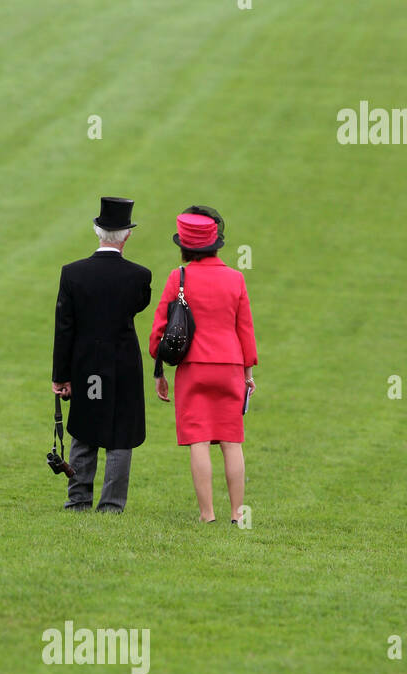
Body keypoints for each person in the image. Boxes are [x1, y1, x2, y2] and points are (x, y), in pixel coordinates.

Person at [149, 206, 258, 523]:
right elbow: (245, 330)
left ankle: (207, 514)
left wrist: (160, 371)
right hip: (230, 366)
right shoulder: (236, 279)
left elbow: (160, 329)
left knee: (198, 440)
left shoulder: (178, 277)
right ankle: (238, 513)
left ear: (184, 245)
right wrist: (248, 374)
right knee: (231, 440)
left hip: (193, 367)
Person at [52, 197, 152, 512]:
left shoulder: (72, 274)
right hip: (123, 365)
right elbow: (138, 306)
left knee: (83, 429)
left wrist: (61, 376)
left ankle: (79, 498)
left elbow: (64, 328)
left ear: (97, 231)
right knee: (120, 433)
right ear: (127, 235)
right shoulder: (140, 276)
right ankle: (111, 504)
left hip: (86, 366)